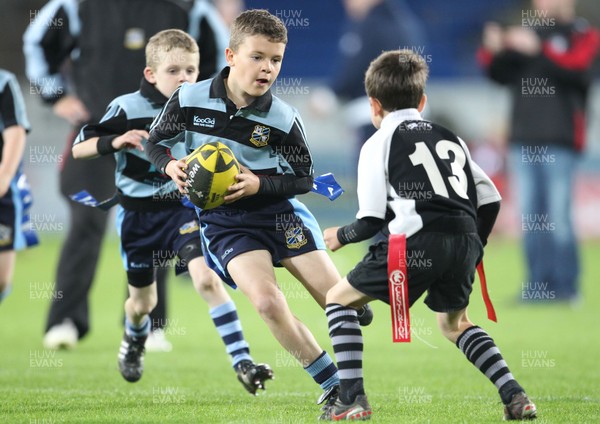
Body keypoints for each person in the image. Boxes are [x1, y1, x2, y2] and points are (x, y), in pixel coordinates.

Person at [146, 9, 373, 412]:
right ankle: (336, 387)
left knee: (342, 304)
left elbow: (304, 178)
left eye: (276, 60)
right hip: (226, 223)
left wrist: (258, 183)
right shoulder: (189, 98)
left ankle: (352, 304)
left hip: (280, 214)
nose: (267, 68)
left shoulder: (282, 119)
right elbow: (155, 141)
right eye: (258, 57)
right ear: (232, 55)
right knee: (267, 303)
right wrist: (169, 164)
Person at [320, 49, 537, 421]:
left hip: (414, 243)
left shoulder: (378, 142)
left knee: (338, 300)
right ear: (422, 101)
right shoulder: (450, 137)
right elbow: (491, 199)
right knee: (454, 324)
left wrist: (340, 234)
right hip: (464, 238)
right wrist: (475, 245)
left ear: (373, 105)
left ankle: (352, 398)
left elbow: (371, 220)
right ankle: (515, 396)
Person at [23, 0, 231, 350]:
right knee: (85, 219)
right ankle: (65, 322)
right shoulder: (76, 5)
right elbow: (37, 43)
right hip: (98, 133)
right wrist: (54, 95)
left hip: (162, 139)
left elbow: (222, 59)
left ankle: (149, 326)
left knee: (160, 219)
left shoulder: (189, 7)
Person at [71, 29, 271, 391]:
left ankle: (243, 361)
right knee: (143, 302)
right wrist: (116, 140)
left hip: (181, 209)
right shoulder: (127, 107)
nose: (184, 78)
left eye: (191, 71)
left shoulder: (199, 107)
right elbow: (78, 149)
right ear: (151, 74)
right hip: (136, 218)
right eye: (174, 71)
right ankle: (134, 338)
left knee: (207, 279)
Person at [478, 0, 600, 303]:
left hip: (562, 138)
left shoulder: (582, 34)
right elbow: (498, 74)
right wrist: (493, 50)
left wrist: (539, 50)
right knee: (531, 217)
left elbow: (580, 71)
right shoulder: (527, 35)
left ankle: (567, 288)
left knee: (558, 216)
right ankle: (538, 287)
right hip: (523, 140)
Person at [310, 0, 426, 167]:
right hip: (409, 120)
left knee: (373, 182)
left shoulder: (370, 25)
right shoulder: (406, 22)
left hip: (374, 121)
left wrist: (330, 95)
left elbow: (354, 69)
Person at [0, 69, 39, 304]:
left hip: (2, 195)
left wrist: (4, 175)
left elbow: (15, 130)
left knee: (2, 280)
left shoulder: (4, 82)